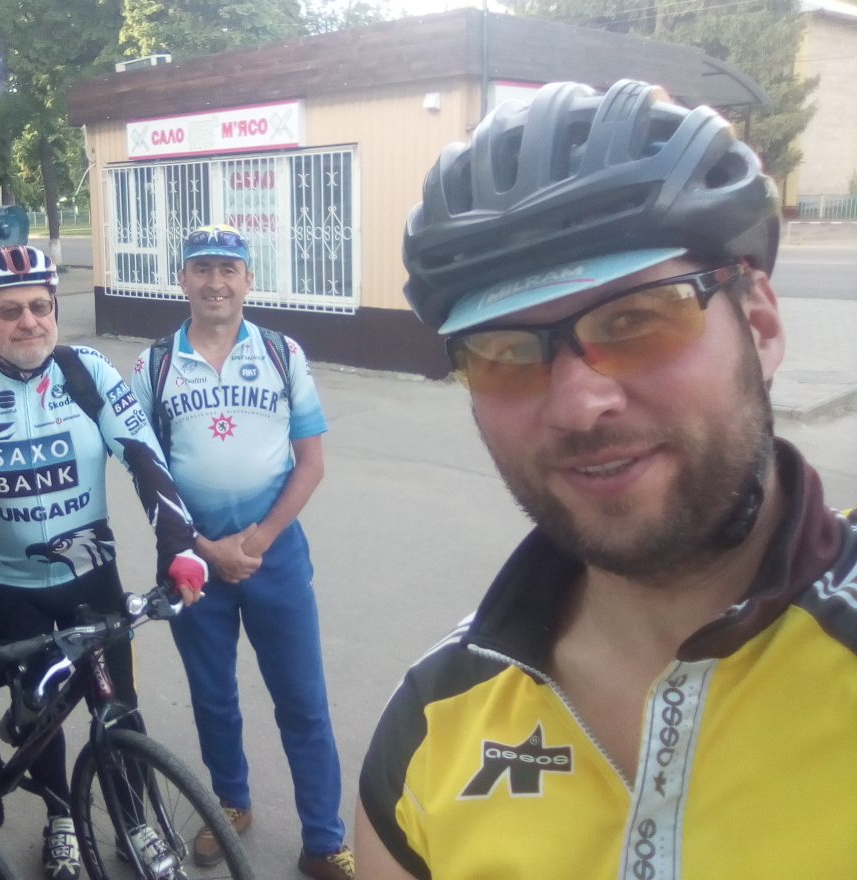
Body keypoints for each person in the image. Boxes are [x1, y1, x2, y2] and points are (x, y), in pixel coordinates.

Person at [357, 79, 857, 879]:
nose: (578, 405)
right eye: (505, 352)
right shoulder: (427, 734)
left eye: (636, 319)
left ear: (760, 325)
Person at [0, 245, 206, 880]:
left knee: (118, 704)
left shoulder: (89, 373)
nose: (29, 322)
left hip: (92, 578)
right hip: (7, 587)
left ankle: (133, 820)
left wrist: (178, 547)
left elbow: (143, 456)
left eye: (40, 307)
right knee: (38, 714)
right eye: (9, 311)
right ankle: (60, 820)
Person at [129, 225, 352, 880]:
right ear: (182, 280)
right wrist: (202, 545)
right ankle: (230, 805)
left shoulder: (283, 353)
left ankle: (323, 839)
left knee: (302, 701)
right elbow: (146, 471)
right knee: (213, 696)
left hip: (274, 555)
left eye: (228, 269)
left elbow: (311, 463)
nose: (215, 282)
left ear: (248, 280)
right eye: (201, 268)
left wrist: (256, 541)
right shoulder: (153, 366)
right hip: (192, 560)